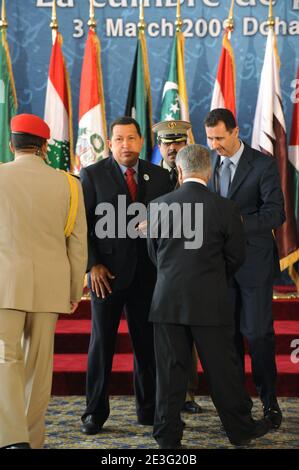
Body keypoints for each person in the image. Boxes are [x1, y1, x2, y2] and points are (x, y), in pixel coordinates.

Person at [147, 144, 271, 448]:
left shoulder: (158, 206)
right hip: (210, 301)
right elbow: (236, 256)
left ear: (179, 170)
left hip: (167, 302)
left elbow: (154, 255)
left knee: (170, 373)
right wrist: (214, 279)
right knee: (222, 371)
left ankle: (167, 437)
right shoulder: (227, 208)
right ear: (208, 170)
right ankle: (241, 431)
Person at [80, 116, 172, 434]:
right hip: (106, 277)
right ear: (109, 143)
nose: (125, 145)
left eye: (131, 138)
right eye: (118, 139)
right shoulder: (91, 176)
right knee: (101, 344)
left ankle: (148, 410)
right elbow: (82, 227)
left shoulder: (161, 177)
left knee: (146, 346)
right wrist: (92, 264)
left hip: (148, 277)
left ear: (141, 140)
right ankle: (94, 412)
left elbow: (172, 226)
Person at [0, 113, 87, 449]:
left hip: (5, 285)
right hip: (50, 285)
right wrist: (73, 290)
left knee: (5, 358)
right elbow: (78, 243)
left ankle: (11, 438)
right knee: (39, 366)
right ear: (44, 147)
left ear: (12, 144)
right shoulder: (69, 183)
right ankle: (32, 440)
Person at [204, 108, 286, 429]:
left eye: (220, 138)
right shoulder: (207, 164)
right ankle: (239, 404)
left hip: (254, 265)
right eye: (210, 139)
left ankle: (270, 401)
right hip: (218, 268)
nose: (215, 145)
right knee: (228, 338)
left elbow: (275, 213)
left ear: (235, 132)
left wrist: (236, 223)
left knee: (258, 335)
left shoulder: (262, 164)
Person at [153, 119, 202, 415]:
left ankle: (187, 392)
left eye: (178, 143)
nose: (172, 148)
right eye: (167, 143)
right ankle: (165, 393)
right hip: (160, 267)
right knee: (164, 334)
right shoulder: (150, 177)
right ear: (159, 146)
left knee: (190, 330)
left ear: (187, 145)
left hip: (195, 265)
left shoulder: (201, 174)